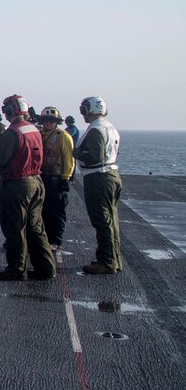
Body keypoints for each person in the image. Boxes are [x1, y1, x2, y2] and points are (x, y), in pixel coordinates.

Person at [0, 95, 55, 281]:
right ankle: (46, 267)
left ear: (10, 111)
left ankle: (16, 268)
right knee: (35, 227)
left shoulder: (13, 132)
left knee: (15, 227)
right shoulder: (34, 129)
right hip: (36, 182)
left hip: (18, 184)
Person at [73, 96, 123, 274]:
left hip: (98, 177)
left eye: (83, 109)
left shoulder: (96, 130)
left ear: (89, 110)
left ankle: (106, 261)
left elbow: (95, 156)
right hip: (111, 174)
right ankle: (113, 258)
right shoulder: (110, 127)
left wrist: (76, 152)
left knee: (101, 220)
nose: (83, 114)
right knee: (111, 220)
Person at [38, 107, 75, 249]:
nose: (48, 123)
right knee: (43, 210)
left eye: (52, 121)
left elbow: (69, 158)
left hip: (57, 178)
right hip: (42, 177)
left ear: (57, 122)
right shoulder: (39, 135)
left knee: (57, 212)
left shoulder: (63, 136)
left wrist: (66, 178)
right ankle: (45, 238)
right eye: (46, 120)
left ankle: (56, 240)